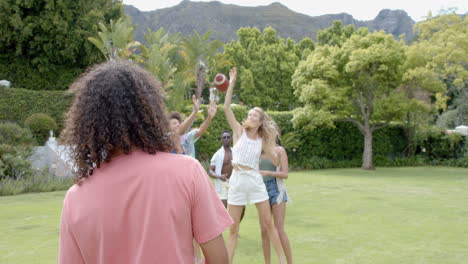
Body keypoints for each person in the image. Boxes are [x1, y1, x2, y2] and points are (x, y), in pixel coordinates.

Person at [58, 61, 232, 264]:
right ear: (149, 110)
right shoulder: (187, 172)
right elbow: (219, 259)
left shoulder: (75, 199)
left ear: (88, 120)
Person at [223, 67, 286, 264]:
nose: (249, 117)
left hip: (255, 181)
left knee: (268, 224)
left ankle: (282, 260)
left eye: (254, 116)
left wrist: (277, 152)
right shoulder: (238, 132)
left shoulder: (262, 141)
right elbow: (226, 108)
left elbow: (276, 162)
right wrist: (231, 83)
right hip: (238, 181)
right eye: (249, 115)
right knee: (233, 229)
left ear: (259, 123)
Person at [259, 137, 293, 264]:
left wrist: (267, 172)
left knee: (279, 229)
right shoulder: (257, 150)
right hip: (261, 191)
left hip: (276, 189)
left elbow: (285, 174)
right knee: (263, 231)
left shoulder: (279, 150)